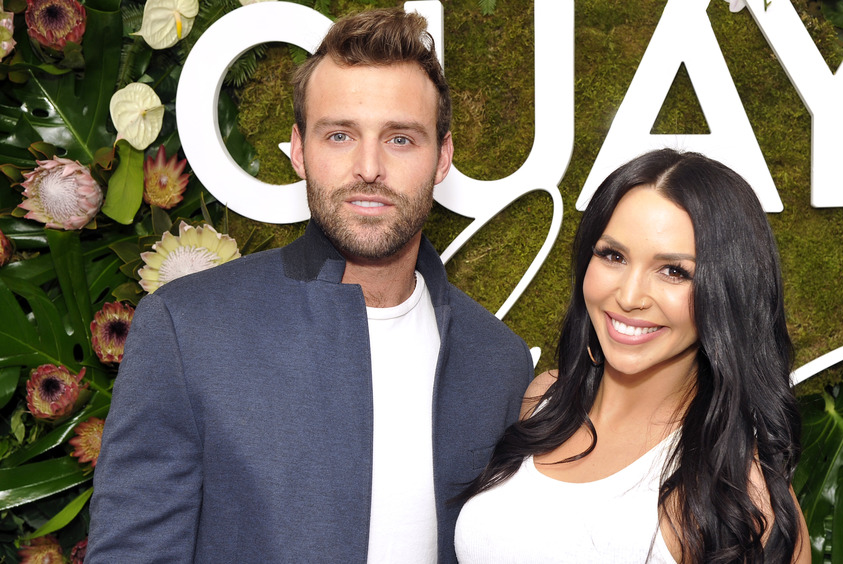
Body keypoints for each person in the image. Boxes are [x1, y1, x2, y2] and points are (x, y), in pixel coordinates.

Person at [86, 8, 534, 563]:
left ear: (442, 156)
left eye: (400, 138)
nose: (368, 167)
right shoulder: (188, 330)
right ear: (299, 150)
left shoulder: (498, 361)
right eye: (340, 134)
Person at [454, 149, 810, 563]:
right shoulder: (544, 399)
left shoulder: (737, 495)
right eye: (613, 256)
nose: (628, 296)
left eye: (674, 271)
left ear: (727, 292)